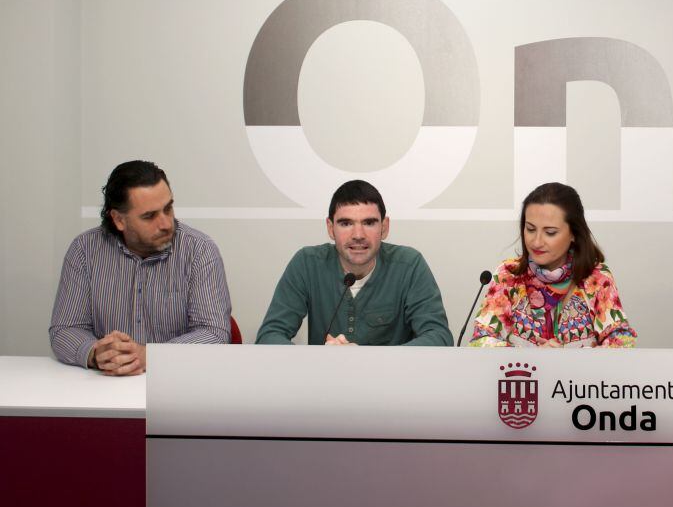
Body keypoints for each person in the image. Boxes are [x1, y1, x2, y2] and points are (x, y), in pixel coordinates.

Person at [49, 160, 232, 375]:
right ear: (118, 219)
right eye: (149, 216)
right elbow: (65, 329)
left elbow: (214, 333)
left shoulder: (199, 251)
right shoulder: (84, 250)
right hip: (105, 385)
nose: (165, 223)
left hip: (178, 384)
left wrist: (148, 356)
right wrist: (99, 354)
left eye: (168, 208)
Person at [257, 180, 452, 346]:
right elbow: (269, 336)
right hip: (324, 384)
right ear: (330, 228)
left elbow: (439, 337)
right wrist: (317, 357)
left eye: (369, 223)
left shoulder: (409, 264)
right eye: (346, 223)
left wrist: (367, 360)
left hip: (392, 384)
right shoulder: (307, 263)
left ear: (384, 227)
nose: (358, 235)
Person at [469, 182, 636, 348]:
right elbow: (481, 340)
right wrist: (533, 358)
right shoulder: (509, 274)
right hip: (523, 374)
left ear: (574, 234)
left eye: (550, 232)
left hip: (577, 375)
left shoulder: (597, 278)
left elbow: (623, 342)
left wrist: (568, 360)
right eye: (530, 229)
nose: (536, 241)